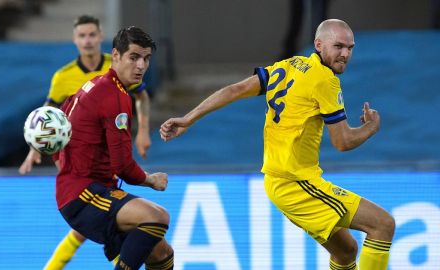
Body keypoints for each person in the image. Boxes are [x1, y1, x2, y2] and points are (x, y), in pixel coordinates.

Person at [160, 19, 394, 270]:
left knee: (346, 251)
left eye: (350, 47)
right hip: (297, 183)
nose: (345, 54)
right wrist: (371, 127)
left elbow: (235, 89)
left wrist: (188, 118)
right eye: (338, 46)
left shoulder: (288, 66)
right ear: (318, 44)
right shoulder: (325, 80)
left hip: (279, 182)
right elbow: (343, 142)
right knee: (382, 224)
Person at [18, 15, 152, 269]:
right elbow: (46, 119)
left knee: (100, 225)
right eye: (82, 36)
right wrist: (33, 149)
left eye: (92, 35)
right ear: (75, 40)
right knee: (93, 223)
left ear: (100, 37)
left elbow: (142, 97)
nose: (88, 41)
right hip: (77, 161)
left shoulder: (121, 65)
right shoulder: (63, 77)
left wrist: (143, 130)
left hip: (106, 158)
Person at [57, 26, 173, 270]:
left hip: (83, 190)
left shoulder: (95, 85)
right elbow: (123, 166)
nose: (141, 66)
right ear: (116, 56)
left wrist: (67, 167)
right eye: (134, 57)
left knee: (161, 253)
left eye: (146, 59)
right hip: (85, 195)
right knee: (157, 216)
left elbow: (60, 131)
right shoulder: (115, 96)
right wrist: (151, 180)